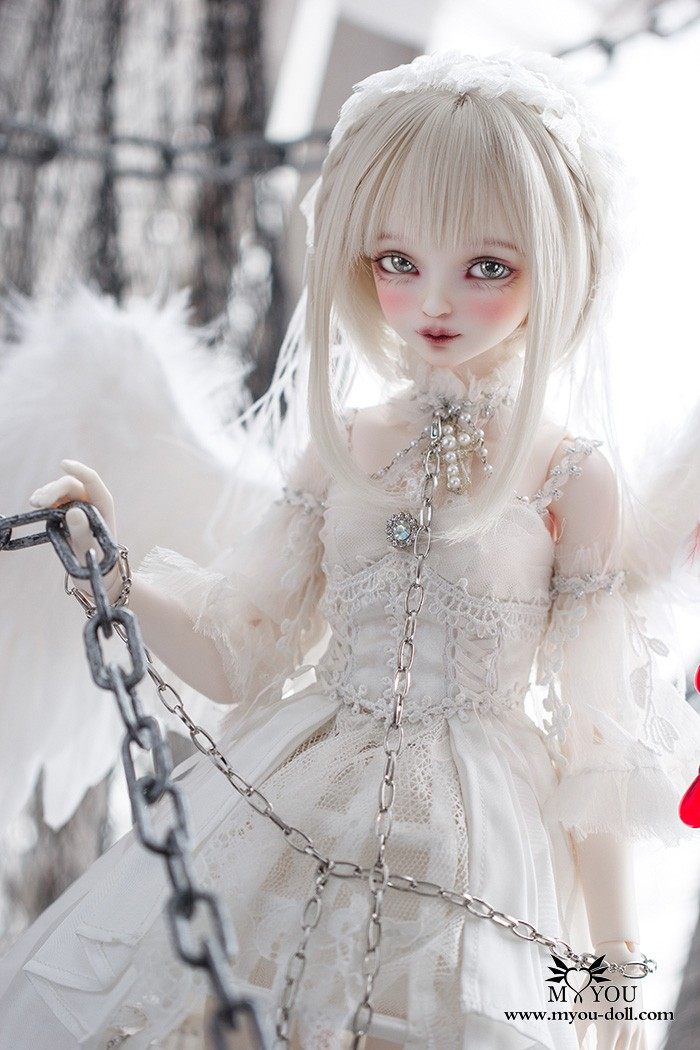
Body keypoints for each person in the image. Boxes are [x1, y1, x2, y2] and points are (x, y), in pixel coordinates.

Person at [1, 48, 700, 1050]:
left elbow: (596, 742)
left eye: (488, 267)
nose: (436, 302)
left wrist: (614, 959)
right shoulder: (346, 445)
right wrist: (113, 577)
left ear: (556, 266)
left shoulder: (569, 477)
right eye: (398, 262)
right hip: (298, 784)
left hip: (475, 834)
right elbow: (237, 652)